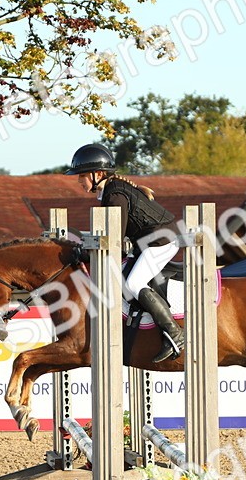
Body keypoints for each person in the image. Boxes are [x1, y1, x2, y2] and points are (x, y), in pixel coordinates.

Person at [64, 143, 185, 362]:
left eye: (82, 176)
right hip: (148, 242)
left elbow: (114, 242)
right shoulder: (112, 191)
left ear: (98, 174)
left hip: (160, 241)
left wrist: (86, 253)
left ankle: (174, 332)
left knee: (133, 284)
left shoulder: (115, 195)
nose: (79, 181)